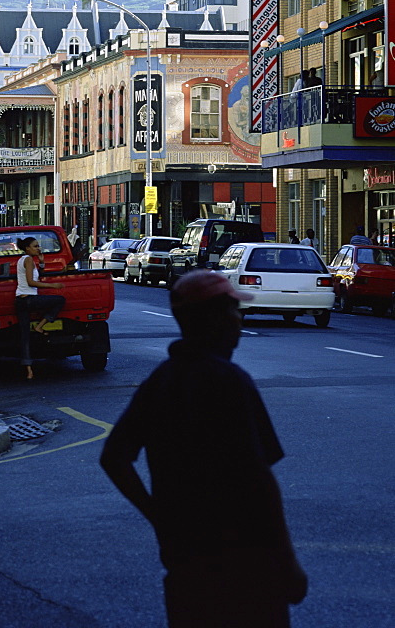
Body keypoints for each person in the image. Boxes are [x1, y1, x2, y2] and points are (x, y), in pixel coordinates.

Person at [100, 269, 307, 628]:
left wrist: (159, 517)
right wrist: (286, 561)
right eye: (232, 311)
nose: (238, 321)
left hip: (185, 559)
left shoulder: (161, 381)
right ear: (212, 319)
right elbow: (260, 480)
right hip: (245, 563)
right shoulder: (230, 381)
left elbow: (114, 457)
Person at [15, 235, 66, 380]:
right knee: (59, 300)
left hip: (20, 301)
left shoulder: (24, 260)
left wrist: (42, 264)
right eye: (35, 246)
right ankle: (40, 326)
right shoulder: (28, 259)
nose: (39, 248)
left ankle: (29, 370)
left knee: (25, 337)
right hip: (29, 299)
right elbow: (32, 282)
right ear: (27, 248)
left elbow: (36, 277)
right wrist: (53, 286)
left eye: (38, 246)